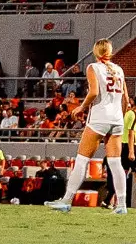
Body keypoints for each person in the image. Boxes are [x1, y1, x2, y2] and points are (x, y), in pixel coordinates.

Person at [48, 39, 130, 215]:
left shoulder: (93, 67)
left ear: (96, 52)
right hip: (117, 119)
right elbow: (126, 100)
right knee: (116, 163)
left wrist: (81, 107)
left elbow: (94, 92)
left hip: (99, 117)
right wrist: (119, 118)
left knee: (82, 159)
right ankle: (122, 204)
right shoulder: (119, 69)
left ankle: (66, 200)